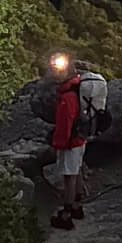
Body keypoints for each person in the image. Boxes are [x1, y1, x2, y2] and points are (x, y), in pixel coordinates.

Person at [47, 54, 87, 228]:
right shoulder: (77, 89)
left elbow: (65, 125)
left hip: (71, 142)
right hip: (80, 139)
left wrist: (56, 146)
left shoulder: (67, 96)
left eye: (58, 70)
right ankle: (77, 206)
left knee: (69, 178)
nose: (55, 73)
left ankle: (66, 214)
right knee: (76, 171)